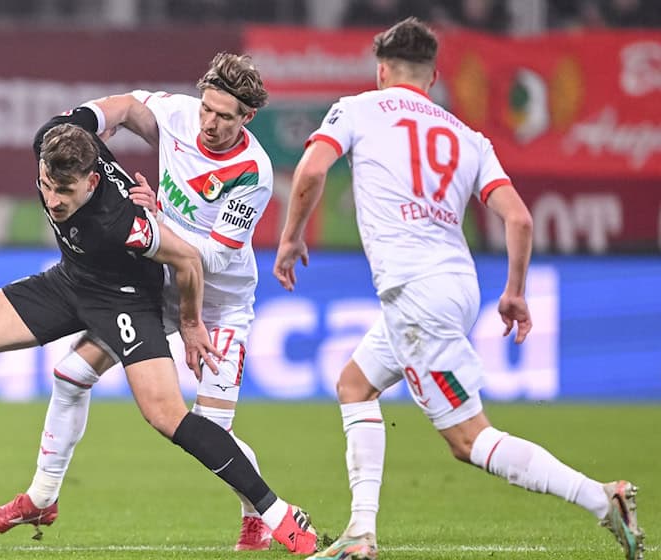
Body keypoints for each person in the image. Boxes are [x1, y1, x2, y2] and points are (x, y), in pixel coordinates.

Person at [0, 104, 319, 555]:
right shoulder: (54, 139)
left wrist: (189, 324)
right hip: (70, 282)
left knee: (166, 415)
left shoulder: (121, 221)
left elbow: (187, 260)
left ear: (92, 182)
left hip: (125, 299)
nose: (54, 201)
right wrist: (106, 113)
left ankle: (278, 513)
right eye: (47, 187)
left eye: (66, 192)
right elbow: (109, 109)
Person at [273, 17, 644, 560]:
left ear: (381, 71)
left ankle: (601, 497)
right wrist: (515, 292)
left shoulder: (357, 109)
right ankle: (360, 531)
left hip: (416, 292)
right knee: (355, 385)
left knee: (469, 440)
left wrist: (290, 238)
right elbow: (519, 219)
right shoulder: (469, 137)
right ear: (433, 77)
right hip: (455, 285)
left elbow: (310, 171)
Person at [0, 52, 290, 551]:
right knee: (70, 374)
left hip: (218, 304)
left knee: (210, 431)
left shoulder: (254, 172)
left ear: (247, 117)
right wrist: (78, 122)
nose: (209, 123)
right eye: (207, 108)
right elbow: (122, 108)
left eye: (224, 116)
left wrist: (155, 221)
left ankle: (258, 515)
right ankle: (41, 497)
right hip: (160, 287)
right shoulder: (178, 115)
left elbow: (213, 259)